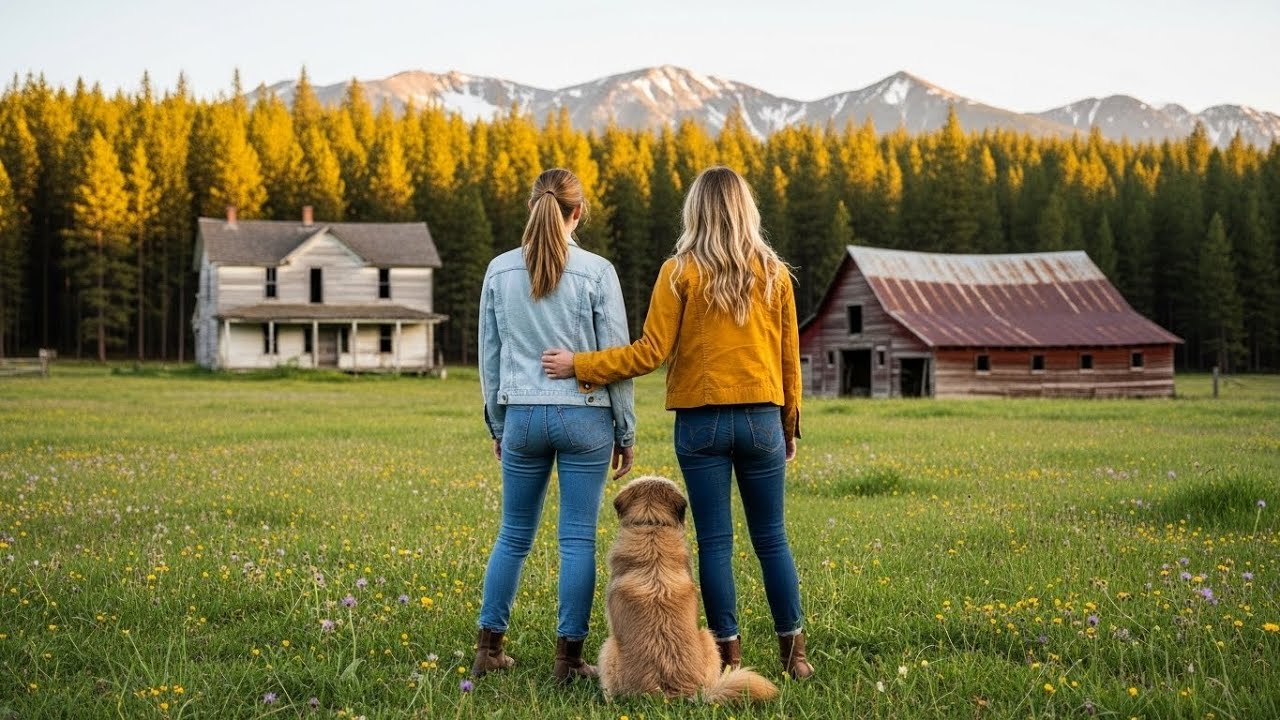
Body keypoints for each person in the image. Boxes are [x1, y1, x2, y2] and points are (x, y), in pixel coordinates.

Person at [542, 166, 813, 679]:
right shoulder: (774, 273)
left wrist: (581, 364)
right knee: (772, 539)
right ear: (747, 211)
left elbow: (650, 352)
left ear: (695, 211)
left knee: (715, 543)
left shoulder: (679, 272)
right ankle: (794, 657)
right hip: (761, 419)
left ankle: (728, 658)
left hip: (700, 423)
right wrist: (788, 422)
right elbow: (788, 357)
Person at [473, 168, 636, 684]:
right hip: (586, 416)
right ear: (578, 212)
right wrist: (626, 431)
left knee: (513, 534)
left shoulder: (499, 271)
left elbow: (489, 357)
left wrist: (498, 425)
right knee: (577, 540)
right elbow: (615, 357)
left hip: (522, 416)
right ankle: (568, 661)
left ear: (531, 207)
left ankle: (488, 649)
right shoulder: (598, 271)